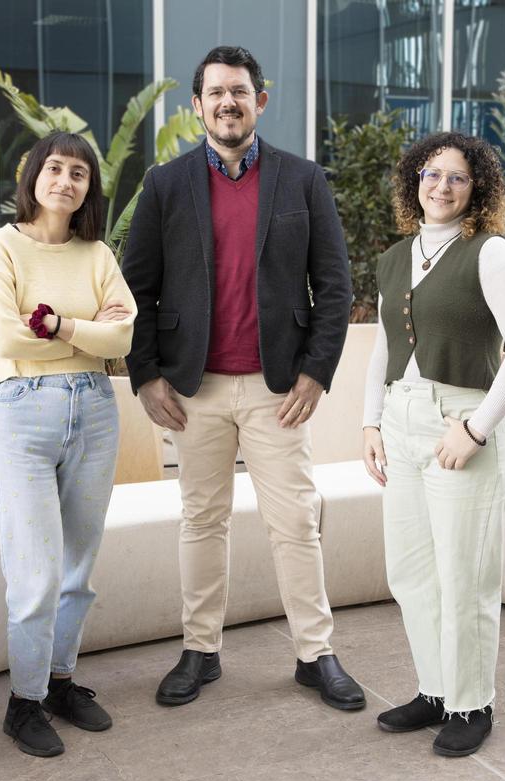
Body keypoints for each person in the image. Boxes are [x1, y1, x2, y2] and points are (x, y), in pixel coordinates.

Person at [121, 45, 365, 711]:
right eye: (215, 92)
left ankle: (316, 655)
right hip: (191, 390)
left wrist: (317, 371)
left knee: (295, 522)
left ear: (262, 99)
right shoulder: (165, 185)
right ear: (196, 105)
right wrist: (145, 376)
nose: (228, 102)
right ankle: (201, 650)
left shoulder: (303, 180)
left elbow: (336, 285)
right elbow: (135, 288)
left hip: (276, 388)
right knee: (201, 520)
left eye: (240, 91)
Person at [361, 132, 505, 756]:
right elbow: (383, 347)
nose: (441, 187)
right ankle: (435, 690)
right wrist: (369, 423)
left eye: (457, 178)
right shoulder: (394, 257)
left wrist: (476, 428)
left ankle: (472, 704)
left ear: (478, 190)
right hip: (402, 422)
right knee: (410, 572)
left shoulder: (489, 253)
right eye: (431, 174)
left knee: (464, 575)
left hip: (462, 421)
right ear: (415, 180)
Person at [0, 131, 138, 758]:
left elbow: (123, 338)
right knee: (35, 569)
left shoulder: (97, 254)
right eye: (54, 169)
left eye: (78, 172)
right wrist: (86, 335)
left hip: (95, 411)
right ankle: (24, 702)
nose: (65, 181)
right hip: (23, 411)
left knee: (78, 566)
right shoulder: (2, 247)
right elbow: (6, 339)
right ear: (33, 178)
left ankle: (61, 682)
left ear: (88, 187)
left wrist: (63, 325)